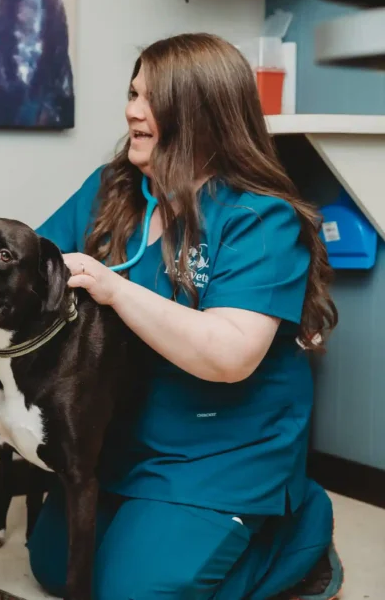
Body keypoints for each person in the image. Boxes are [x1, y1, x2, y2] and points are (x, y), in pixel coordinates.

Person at [29, 33, 344, 600]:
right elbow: (36, 266)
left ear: (202, 113)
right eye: (131, 93)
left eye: (151, 99)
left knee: (134, 593)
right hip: (125, 437)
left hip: (221, 451)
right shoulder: (111, 191)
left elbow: (228, 355)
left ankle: (299, 534)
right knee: (56, 567)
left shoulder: (258, 218)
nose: (131, 110)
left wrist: (114, 289)